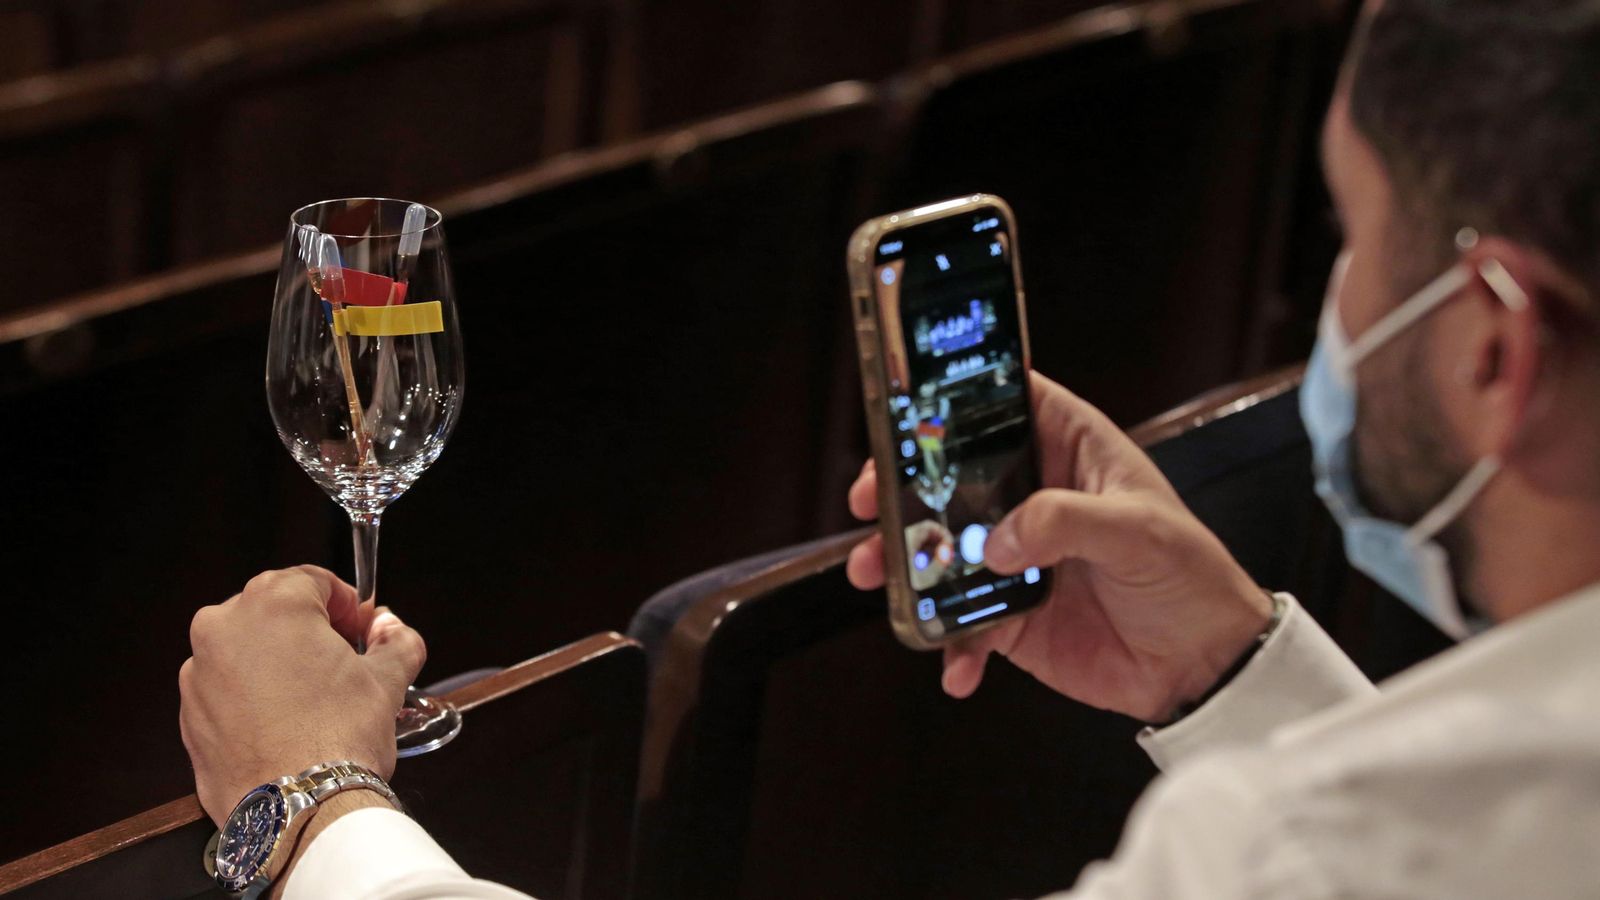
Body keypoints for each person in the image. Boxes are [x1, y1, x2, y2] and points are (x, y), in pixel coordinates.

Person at [180, 0, 1600, 896]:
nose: (1334, 305)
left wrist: (308, 810)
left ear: (1492, 348)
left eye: (1351, 236)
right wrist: (1231, 674)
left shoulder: (1279, 853)